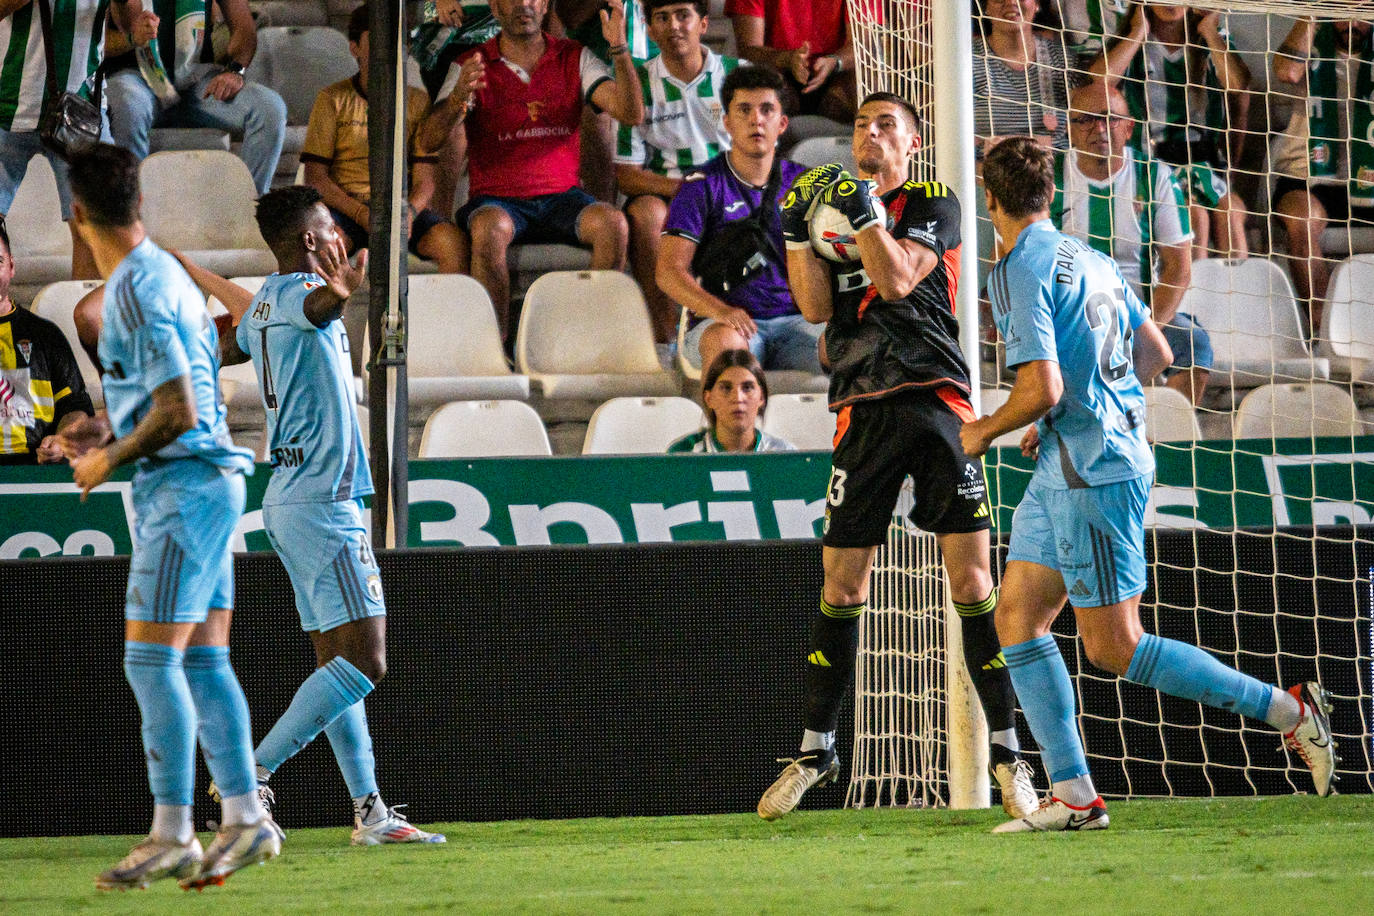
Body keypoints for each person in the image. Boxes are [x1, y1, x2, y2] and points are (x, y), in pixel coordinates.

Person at [963, 137, 1336, 832]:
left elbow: (1038, 385)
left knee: (1114, 646)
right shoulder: (1091, 256)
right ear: (1050, 194)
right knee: (1017, 616)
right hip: (1072, 459)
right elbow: (1157, 352)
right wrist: (1089, 401)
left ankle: (1290, 711)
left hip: (1093, 471)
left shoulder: (1014, 269)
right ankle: (1075, 795)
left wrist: (984, 430)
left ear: (991, 199)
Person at [755, 92, 1038, 823]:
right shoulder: (834, 208)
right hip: (862, 403)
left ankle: (1008, 754)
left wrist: (862, 212)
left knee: (972, 577)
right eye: (860, 125)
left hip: (937, 400)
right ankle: (817, 750)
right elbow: (816, 308)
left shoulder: (934, 200)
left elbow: (897, 279)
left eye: (886, 126)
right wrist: (795, 234)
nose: (869, 134)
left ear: (911, 143)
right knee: (842, 584)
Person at [57, 143, 279, 888]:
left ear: (77, 215)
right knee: (206, 661)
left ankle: (174, 833)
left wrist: (105, 459)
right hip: (206, 482)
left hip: (181, 489)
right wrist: (99, 432)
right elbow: (174, 393)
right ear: (139, 204)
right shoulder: (170, 279)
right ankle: (246, 818)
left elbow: (178, 411)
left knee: (149, 660)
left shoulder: (131, 290)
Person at [207, 185, 445, 846]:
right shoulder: (295, 297)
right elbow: (316, 307)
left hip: (298, 496)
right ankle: (249, 778)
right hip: (320, 501)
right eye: (330, 226)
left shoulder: (261, 308)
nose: (339, 234)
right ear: (311, 240)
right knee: (367, 662)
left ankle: (369, 810)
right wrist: (340, 290)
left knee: (334, 666)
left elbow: (228, 347)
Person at [421, 0, 645, 339]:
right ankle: (493, 349)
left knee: (613, 223)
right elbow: (429, 139)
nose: (524, 4)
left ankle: (592, 339)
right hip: (498, 201)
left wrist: (620, 49)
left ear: (546, 7)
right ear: (495, 8)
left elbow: (630, 113)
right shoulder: (471, 63)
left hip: (562, 198)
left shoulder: (575, 56)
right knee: (490, 228)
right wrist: (456, 100)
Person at [1056, 80, 1210, 407]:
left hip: (1137, 312)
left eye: (1110, 118)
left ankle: (1166, 438)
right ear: (1069, 128)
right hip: (1068, 313)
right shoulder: (1050, 177)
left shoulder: (1154, 176)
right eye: (1085, 119)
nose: (1099, 128)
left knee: (1193, 345)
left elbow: (1178, 269)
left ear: (1128, 128)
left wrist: (1148, 329)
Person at [657, 66, 821, 375]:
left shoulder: (807, 183)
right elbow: (668, 271)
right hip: (724, 322)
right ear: (728, 123)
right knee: (727, 350)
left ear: (782, 123)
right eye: (744, 110)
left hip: (799, 322)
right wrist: (720, 311)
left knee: (851, 351)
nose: (756, 119)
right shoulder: (701, 184)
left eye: (767, 110)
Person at [302, 4, 467, 273]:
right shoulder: (332, 99)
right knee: (325, 247)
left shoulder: (417, 101)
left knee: (453, 243)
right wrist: (361, 214)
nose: (387, 50)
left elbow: (426, 180)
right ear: (354, 48)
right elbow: (316, 179)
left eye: (396, 41)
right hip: (347, 209)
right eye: (377, 41)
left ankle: (448, 316)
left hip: (401, 211)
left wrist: (410, 213)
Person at [616, 0, 739, 347]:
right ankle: (666, 339)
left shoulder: (736, 74)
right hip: (667, 192)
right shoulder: (635, 83)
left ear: (702, 23)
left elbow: (760, 150)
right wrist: (689, 188)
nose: (673, 26)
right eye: (662, 17)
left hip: (727, 188)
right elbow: (626, 175)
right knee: (644, 214)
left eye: (683, 15)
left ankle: (743, 332)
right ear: (650, 29)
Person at [1090, 3, 1250, 259]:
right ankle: (1191, 297)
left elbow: (1238, 85)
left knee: (1230, 213)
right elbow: (1097, 84)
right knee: (1194, 215)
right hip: (1151, 162)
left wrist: (1209, 30)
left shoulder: (1211, 40)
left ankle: (1237, 297)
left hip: (1204, 162)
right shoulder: (1132, 42)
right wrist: (1137, 33)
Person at [0, 0, 140, 280]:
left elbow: (129, 24)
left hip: (81, 111)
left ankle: (87, 321)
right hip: (7, 103)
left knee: (96, 228)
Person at [104, 0, 287, 196]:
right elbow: (98, 39)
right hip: (136, 77)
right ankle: (131, 211)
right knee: (127, 103)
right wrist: (132, 38)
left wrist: (235, 71)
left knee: (269, 108)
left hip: (196, 78)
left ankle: (251, 210)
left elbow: (244, 29)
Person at [1271, 17, 1374, 334]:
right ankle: (1324, 331)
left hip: (1368, 178)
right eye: (1344, 12)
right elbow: (1287, 71)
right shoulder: (1310, 45)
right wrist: (1310, 14)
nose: (1353, 24)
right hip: (1308, 177)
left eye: (1362, 14)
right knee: (1301, 219)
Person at [0, 218, 95, 463]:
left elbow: (75, 406)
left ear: (11, 267)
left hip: (37, 472)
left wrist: (62, 440)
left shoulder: (45, 335)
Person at [973, 0, 1073, 159]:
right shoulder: (968, 60)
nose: (1011, 2)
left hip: (1054, 178)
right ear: (985, 8)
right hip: (982, 177)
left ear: (1037, 4)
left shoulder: (1062, 60)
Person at [727, 0, 855, 121]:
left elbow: (863, 44)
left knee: (863, 84)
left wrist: (835, 62)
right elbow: (748, 49)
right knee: (765, 89)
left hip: (836, 71)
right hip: (775, 68)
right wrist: (787, 59)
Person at [668, 348, 793, 453]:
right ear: (709, 398)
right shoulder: (683, 454)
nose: (738, 398)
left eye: (747, 387)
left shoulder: (784, 454)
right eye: (726, 388)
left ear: (761, 397)